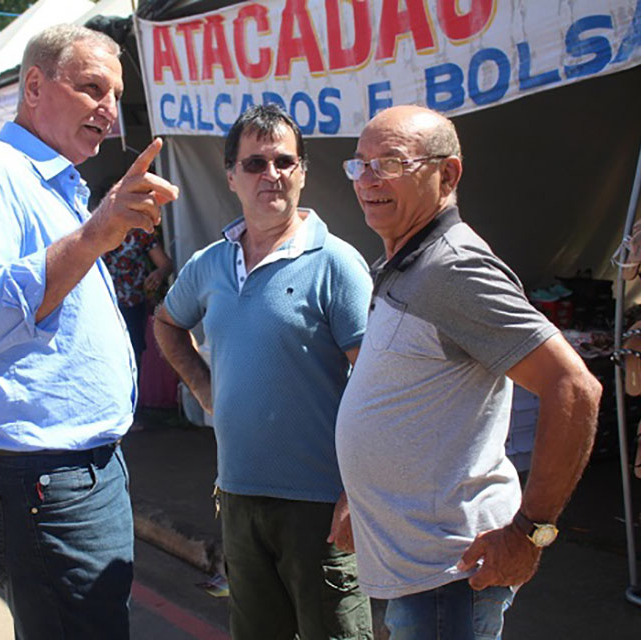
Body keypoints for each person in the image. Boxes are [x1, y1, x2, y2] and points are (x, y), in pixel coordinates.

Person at [0, 24, 178, 638]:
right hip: (45, 484)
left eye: (115, 95)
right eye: (91, 88)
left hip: (71, 478)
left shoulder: (53, 187)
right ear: (34, 86)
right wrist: (93, 236)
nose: (108, 109)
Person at [333, 105, 602, 639]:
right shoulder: (405, 259)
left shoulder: (453, 268)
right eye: (360, 164)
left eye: (390, 162)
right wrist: (359, 502)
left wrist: (530, 532)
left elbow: (573, 388)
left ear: (448, 174)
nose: (368, 180)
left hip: (450, 573)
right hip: (419, 567)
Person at [154, 104, 374, 640]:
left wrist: (359, 493)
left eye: (283, 161)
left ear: (302, 172)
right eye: (255, 163)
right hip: (238, 497)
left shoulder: (337, 263)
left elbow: (376, 387)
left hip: (321, 506)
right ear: (231, 176)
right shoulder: (210, 263)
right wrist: (205, 388)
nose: (270, 175)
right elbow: (166, 323)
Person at [103, 228, 172, 375]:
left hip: (133, 305)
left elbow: (165, 264)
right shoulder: (99, 230)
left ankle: (134, 393)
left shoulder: (141, 233)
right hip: (103, 306)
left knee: (134, 352)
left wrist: (158, 274)